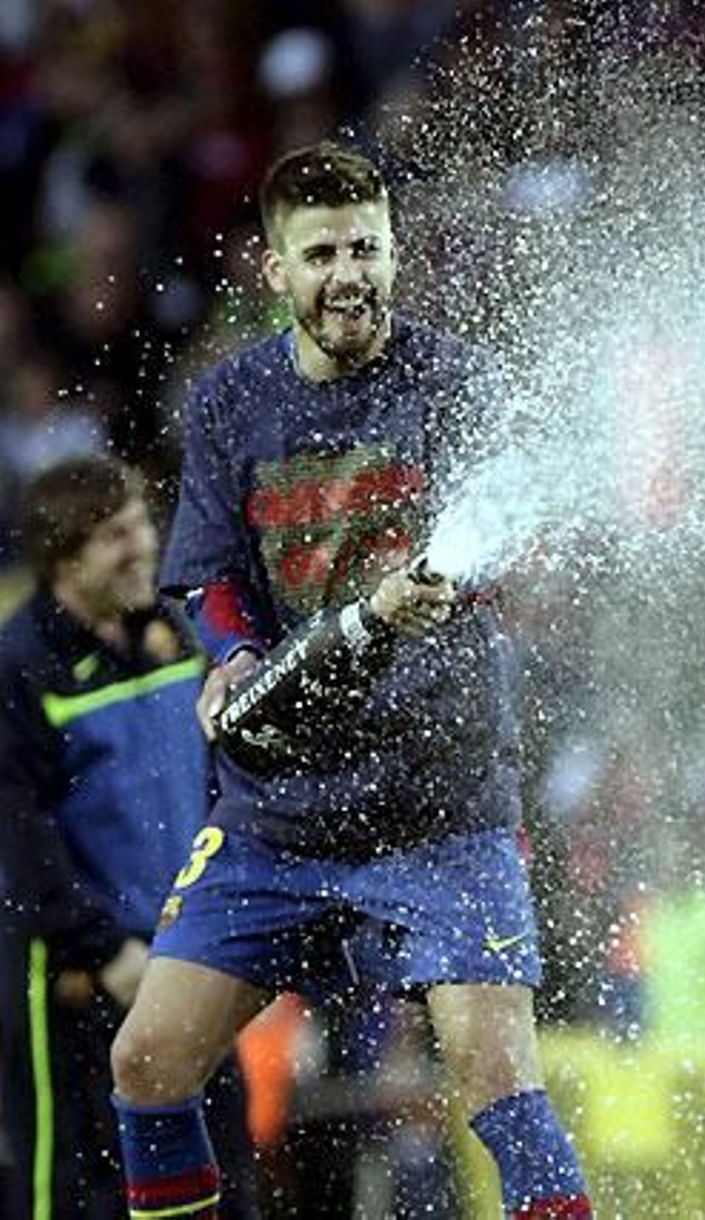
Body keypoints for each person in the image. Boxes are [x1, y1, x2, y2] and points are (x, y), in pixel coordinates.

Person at [106, 141, 591, 1219]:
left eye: (366, 247)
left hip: (440, 804)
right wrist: (231, 657)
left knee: (499, 1078)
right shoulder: (231, 402)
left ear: (395, 254)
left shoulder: (454, 381)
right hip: (280, 816)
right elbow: (212, 574)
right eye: (321, 252)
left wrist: (461, 581)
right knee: (145, 1061)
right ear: (275, 270)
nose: (348, 273)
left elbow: (509, 531)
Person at [0, 456, 258, 1218]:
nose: (145, 544)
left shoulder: (176, 636)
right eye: (117, 535)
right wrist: (105, 950)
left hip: (187, 960)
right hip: (78, 981)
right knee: (72, 1195)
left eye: (144, 521)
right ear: (65, 558)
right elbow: (19, 840)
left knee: (219, 1178)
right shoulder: (21, 667)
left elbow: (222, 786)